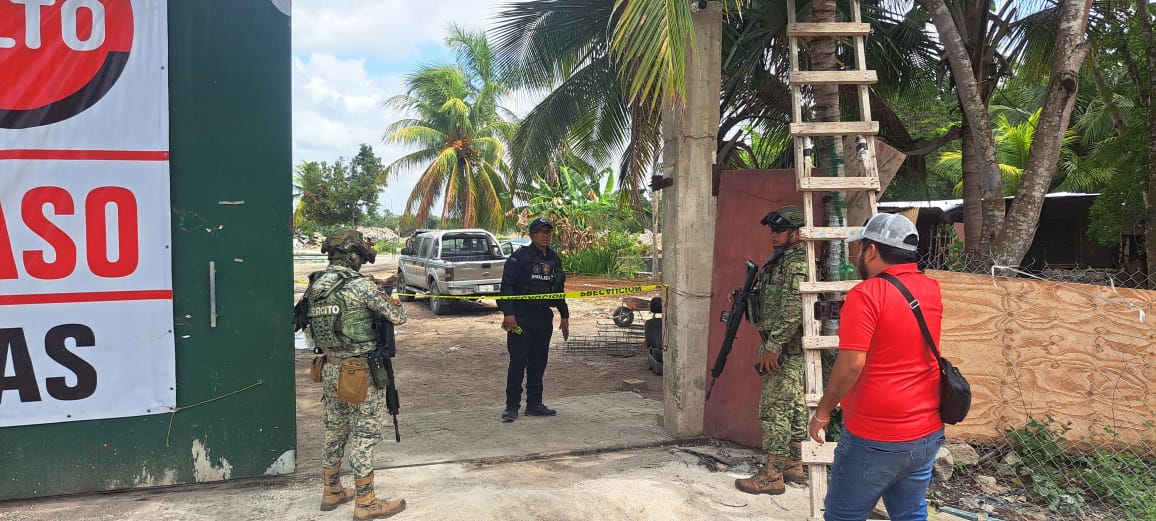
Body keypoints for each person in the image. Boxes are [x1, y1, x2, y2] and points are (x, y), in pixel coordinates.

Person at [808, 213, 945, 521]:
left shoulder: (866, 295)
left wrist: (823, 412)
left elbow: (851, 365)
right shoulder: (931, 288)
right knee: (910, 513)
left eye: (860, 247)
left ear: (871, 251)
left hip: (876, 434)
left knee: (843, 515)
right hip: (926, 431)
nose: (857, 254)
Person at [301, 229, 408, 520]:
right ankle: (366, 502)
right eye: (360, 256)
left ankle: (331, 490)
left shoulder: (315, 285)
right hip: (360, 372)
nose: (361, 261)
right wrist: (386, 295)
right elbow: (398, 317)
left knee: (335, 430)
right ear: (351, 255)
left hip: (330, 367)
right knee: (365, 433)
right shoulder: (359, 286)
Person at [735, 205, 810, 495]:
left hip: (784, 347)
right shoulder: (781, 259)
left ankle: (772, 475)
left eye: (780, 230)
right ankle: (793, 464)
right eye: (772, 230)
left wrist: (774, 346)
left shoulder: (796, 263)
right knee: (793, 405)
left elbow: (793, 309)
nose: (773, 235)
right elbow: (773, 297)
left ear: (796, 233)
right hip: (782, 346)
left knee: (774, 409)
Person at [498, 217, 570, 422]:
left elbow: (558, 289)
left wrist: (564, 315)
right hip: (521, 318)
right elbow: (506, 285)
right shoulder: (519, 257)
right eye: (541, 232)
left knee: (539, 362)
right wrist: (508, 313)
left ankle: (534, 404)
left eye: (548, 232)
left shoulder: (554, 259)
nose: (545, 236)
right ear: (531, 235)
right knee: (518, 361)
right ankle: (512, 406)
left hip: (543, 318)